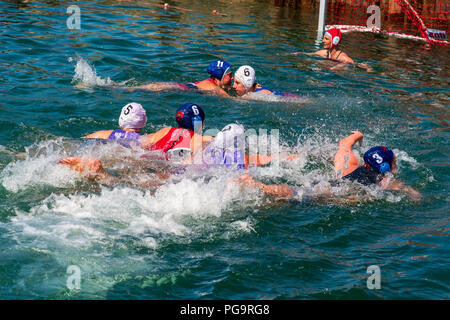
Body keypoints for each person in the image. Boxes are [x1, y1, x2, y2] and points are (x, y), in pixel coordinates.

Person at [117, 60, 233, 97]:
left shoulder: (210, 83)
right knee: (137, 89)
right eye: (229, 75)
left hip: (181, 86)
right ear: (220, 75)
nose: (232, 78)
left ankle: (117, 87)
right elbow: (230, 99)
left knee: (139, 88)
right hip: (178, 87)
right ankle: (116, 88)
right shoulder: (211, 86)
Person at [81, 102, 147, 146]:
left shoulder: (103, 134)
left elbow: (79, 141)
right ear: (143, 123)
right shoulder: (143, 141)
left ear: (121, 119)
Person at [232, 65, 299, 98]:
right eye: (234, 82)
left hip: (294, 100)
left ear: (248, 84)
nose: (233, 86)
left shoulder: (260, 94)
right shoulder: (252, 89)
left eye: (237, 83)